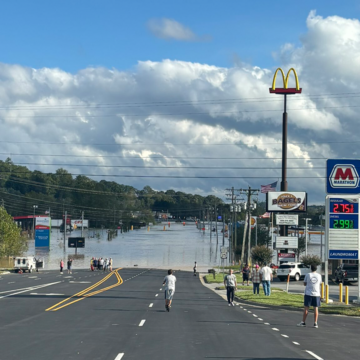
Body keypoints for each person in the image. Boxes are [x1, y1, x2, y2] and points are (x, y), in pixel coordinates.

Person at [297, 264, 322, 328]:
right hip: (316, 294)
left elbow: (305, 283)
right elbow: (320, 283)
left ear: (311, 268)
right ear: (316, 269)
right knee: (316, 308)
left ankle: (303, 322)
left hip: (308, 293)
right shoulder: (319, 276)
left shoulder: (308, 275)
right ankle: (315, 323)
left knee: (306, 308)